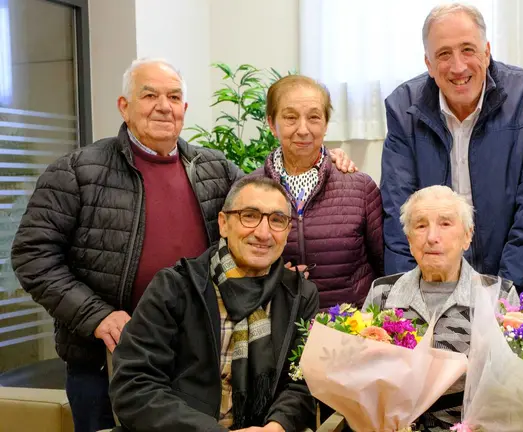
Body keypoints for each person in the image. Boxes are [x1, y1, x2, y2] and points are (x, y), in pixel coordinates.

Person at [9, 58, 353, 432]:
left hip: (198, 354)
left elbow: (262, 201)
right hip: (105, 356)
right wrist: (96, 315)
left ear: (184, 108)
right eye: (149, 95)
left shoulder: (214, 169)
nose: (163, 105)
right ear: (124, 106)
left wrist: (323, 160)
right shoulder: (77, 171)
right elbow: (32, 256)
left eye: (174, 96)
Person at [109, 176, 317, 432]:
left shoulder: (300, 295)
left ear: (287, 231)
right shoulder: (176, 287)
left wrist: (276, 426)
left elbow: (303, 384)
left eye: (277, 220)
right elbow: (134, 386)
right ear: (223, 224)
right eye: (249, 216)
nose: (263, 233)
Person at [380, 3, 523, 288]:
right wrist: (409, 308)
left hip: (511, 280)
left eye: (468, 49)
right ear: (428, 63)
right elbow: (399, 219)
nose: (458, 66)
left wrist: (501, 297)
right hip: (433, 282)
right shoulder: (402, 108)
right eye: (443, 54)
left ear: (487, 52)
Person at [365, 185, 519, 430]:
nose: (432, 237)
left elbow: (512, 389)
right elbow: (364, 379)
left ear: (467, 236)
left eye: (445, 224)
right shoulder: (383, 294)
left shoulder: (496, 296)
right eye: (421, 225)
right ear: (409, 239)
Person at [257, 75, 384, 309]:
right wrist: (269, 278)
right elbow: (235, 269)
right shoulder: (250, 191)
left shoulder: (360, 188)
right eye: (290, 117)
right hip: (278, 330)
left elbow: (383, 265)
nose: (303, 130)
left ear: (325, 124)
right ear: (271, 123)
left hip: (349, 330)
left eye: (314, 117)